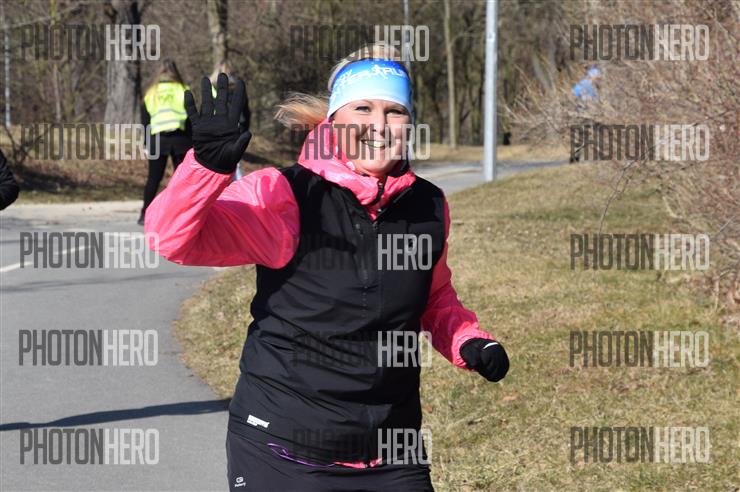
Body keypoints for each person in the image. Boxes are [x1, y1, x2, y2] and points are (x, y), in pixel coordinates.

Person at [145, 43, 509, 491]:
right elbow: (170, 238)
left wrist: (468, 340)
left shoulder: (427, 205)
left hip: (392, 450)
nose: (379, 125)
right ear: (334, 119)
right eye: (363, 108)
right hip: (283, 450)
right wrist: (206, 168)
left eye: (395, 111)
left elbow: (432, 297)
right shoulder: (285, 195)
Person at [139, 59, 192, 225]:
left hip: (158, 139)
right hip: (180, 138)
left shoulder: (151, 93)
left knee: (153, 179)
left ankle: (144, 214)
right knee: (182, 180)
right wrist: (194, 143)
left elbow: (145, 122)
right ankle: (182, 215)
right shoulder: (183, 90)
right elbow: (191, 120)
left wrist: (146, 144)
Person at [570, 65, 601, 162]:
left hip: (593, 113)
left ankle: (597, 155)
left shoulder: (596, 88)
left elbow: (597, 101)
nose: (598, 79)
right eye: (597, 77)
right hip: (582, 113)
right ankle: (575, 156)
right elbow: (572, 95)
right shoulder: (582, 84)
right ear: (592, 76)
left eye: (599, 77)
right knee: (580, 134)